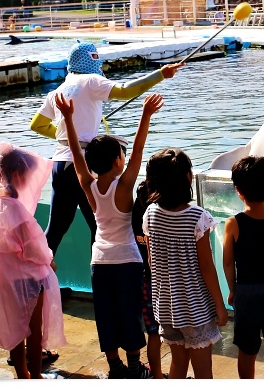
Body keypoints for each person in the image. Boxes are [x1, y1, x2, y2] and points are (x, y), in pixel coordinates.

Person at [29, 42, 183, 261]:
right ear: (92, 62)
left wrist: (70, 134)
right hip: (83, 164)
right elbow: (125, 91)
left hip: (60, 164)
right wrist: (160, 74)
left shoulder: (59, 89)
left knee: (54, 230)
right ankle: (99, 282)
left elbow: (37, 124)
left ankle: (36, 285)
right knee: (98, 227)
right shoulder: (91, 81)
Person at [56, 92, 161, 379]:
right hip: (127, 260)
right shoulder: (124, 187)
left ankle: (115, 367)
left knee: (106, 314)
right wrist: (145, 115)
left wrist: (67, 118)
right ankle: (136, 366)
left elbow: (77, 155)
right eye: (122, 155)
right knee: (130, 313)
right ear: (118, 161)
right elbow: (139, 151)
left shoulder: (89, 185)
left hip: (99, 261)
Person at [142, 147, 228, 379]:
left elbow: (152, 261)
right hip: (195, 309)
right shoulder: (197, 217)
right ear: (188, 178)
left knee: (178, 365)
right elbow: (207, 268)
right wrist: (220, 306)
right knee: (202, 371)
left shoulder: (150, 214)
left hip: (167, 308)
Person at [0, 143, 67, 379]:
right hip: (29, 277)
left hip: (5, 275)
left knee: (15, 328)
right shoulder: (14, 208)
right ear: (19, 174)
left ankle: (22, 373)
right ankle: (36, 375)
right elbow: (33, 244)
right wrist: (49, 260)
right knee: (33, 329)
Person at [222, 156, 264, 379]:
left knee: (247, 349)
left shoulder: (234, 223)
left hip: (247, 292)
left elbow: (227, 261)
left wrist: (232, 289)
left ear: (238, 190)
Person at [132, 175, 166, 378]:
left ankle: (158, 375)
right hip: (162, 282)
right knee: (173, 334)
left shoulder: (136, 213)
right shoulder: (160, 217)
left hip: (143, 280)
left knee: (153, 333)